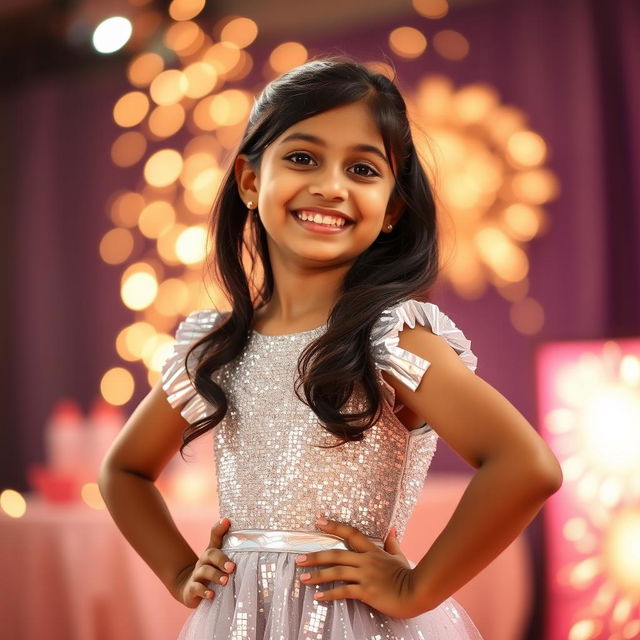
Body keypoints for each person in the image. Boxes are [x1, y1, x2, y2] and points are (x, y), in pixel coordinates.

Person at [99, 57, 563, 639]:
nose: (331, 185)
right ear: (249, 180)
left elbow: (526, 467)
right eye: (301, 158)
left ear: (393, 207)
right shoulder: (217, 350)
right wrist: (178, 571)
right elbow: (123, 471)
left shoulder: (390, 340)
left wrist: (415, 588)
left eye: (363, 169)